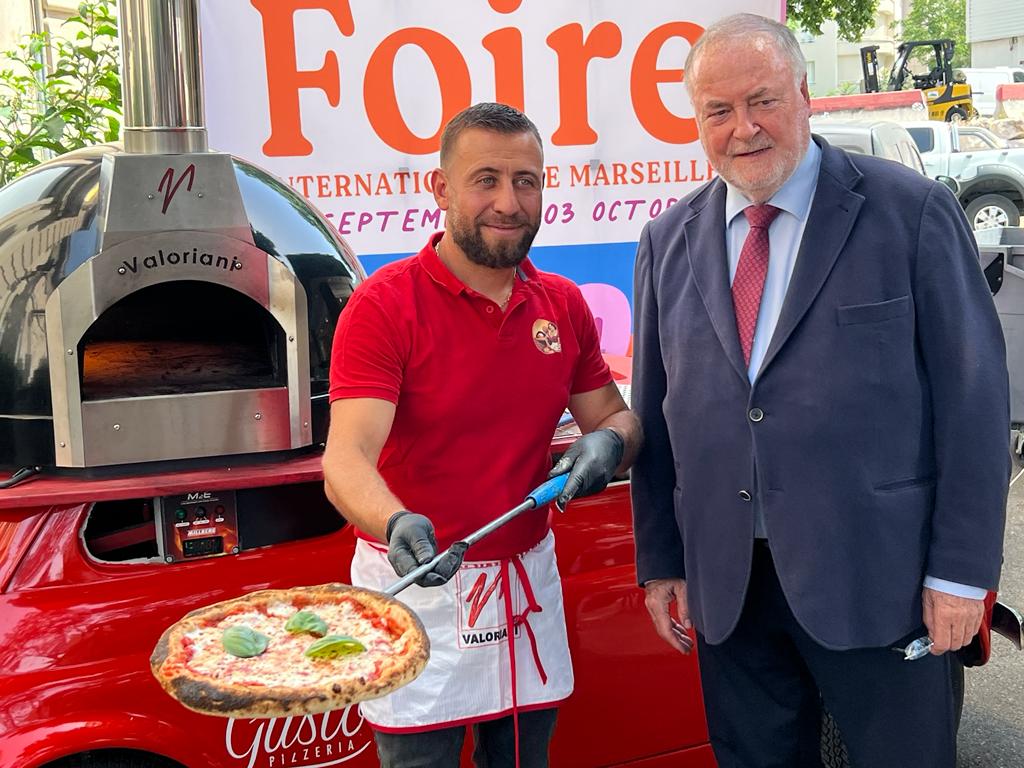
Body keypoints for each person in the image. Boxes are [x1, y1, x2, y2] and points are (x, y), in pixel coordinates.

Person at [630, 13, 1008, 768]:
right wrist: (662, 561)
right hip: (731, 587)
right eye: (719, 110)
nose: (744, 128)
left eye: (762, 100)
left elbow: (974, 406)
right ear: (698, 120)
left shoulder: (913, 214)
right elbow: (659, 415)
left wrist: (963, 575)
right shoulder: (667, 240)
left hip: (882, 580)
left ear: (804, 95)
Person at [323, 102, 640, 768]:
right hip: (420, 585)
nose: (508, 201)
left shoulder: (561, 304)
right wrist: (396, 521)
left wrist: (611, 443)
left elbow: (614, 415)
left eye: (526, 180)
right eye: (486, 179)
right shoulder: (383, 306)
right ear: (440, 189)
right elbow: (347, 459)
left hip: (527, 582)